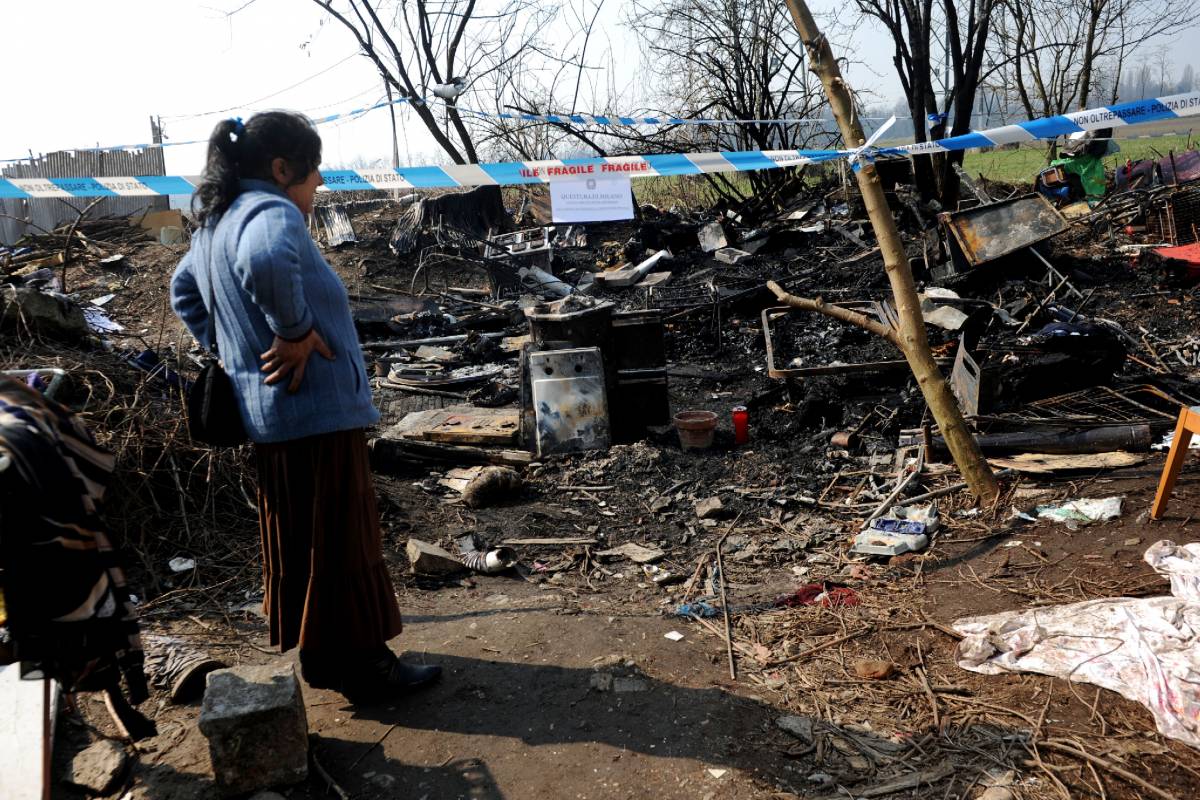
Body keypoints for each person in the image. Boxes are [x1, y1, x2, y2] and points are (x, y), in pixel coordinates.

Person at [171, 112, 440, 704]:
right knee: (343, 540)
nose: (318, 187)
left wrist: (228, 349)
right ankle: (367, 668)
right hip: (316, 411)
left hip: (273, 417)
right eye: (314, 174)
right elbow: (267, 262)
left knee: (309, 542)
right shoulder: (269, 213)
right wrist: (291, 331)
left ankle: (329, 659)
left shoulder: (213, 225)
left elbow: (183, 291)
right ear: (281, 168)